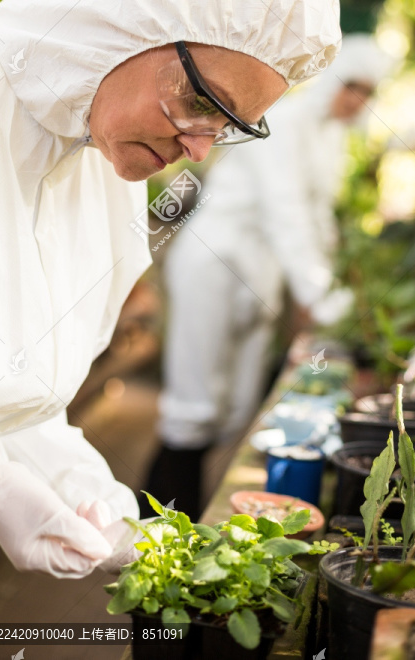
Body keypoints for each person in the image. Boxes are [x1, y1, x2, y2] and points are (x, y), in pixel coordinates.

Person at [0, 0, 340, 658]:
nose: (198, 149)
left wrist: (83, 488)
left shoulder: (101, 174)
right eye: (199, 103)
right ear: (129, 22)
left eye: (227, 127)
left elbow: (6, 400)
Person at [143, 33, 394, 520]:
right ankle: (155, 528)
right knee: (191, 408)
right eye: (353, 88)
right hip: (214, 265)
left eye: (368, 93)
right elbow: (288, 216)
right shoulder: (282, 123)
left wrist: (336, 284)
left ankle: (192, 518)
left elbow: (318, 218)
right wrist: (326, 302)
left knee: (234, 410)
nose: (358, 102)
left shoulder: (330, 137)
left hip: (258, 277)